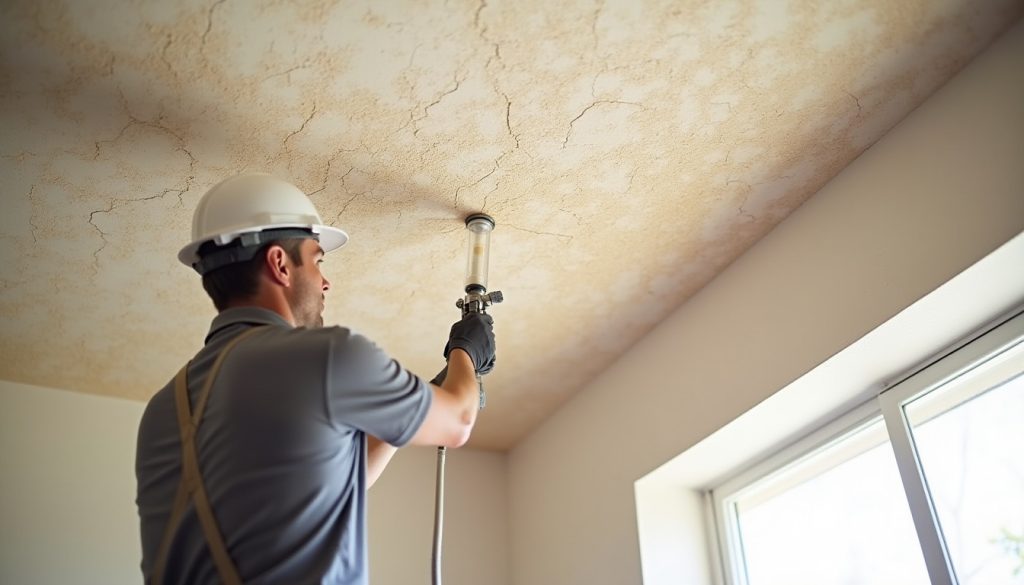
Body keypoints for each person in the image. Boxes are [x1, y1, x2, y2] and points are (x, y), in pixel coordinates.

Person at [135, 173, 495, 585]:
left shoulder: (164, 408)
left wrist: (402, 413)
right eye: (317, 259)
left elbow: (329, 486)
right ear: (279, 264)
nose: (325, 281)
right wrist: (467, 350)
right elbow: (459, 422)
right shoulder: (324, 356)